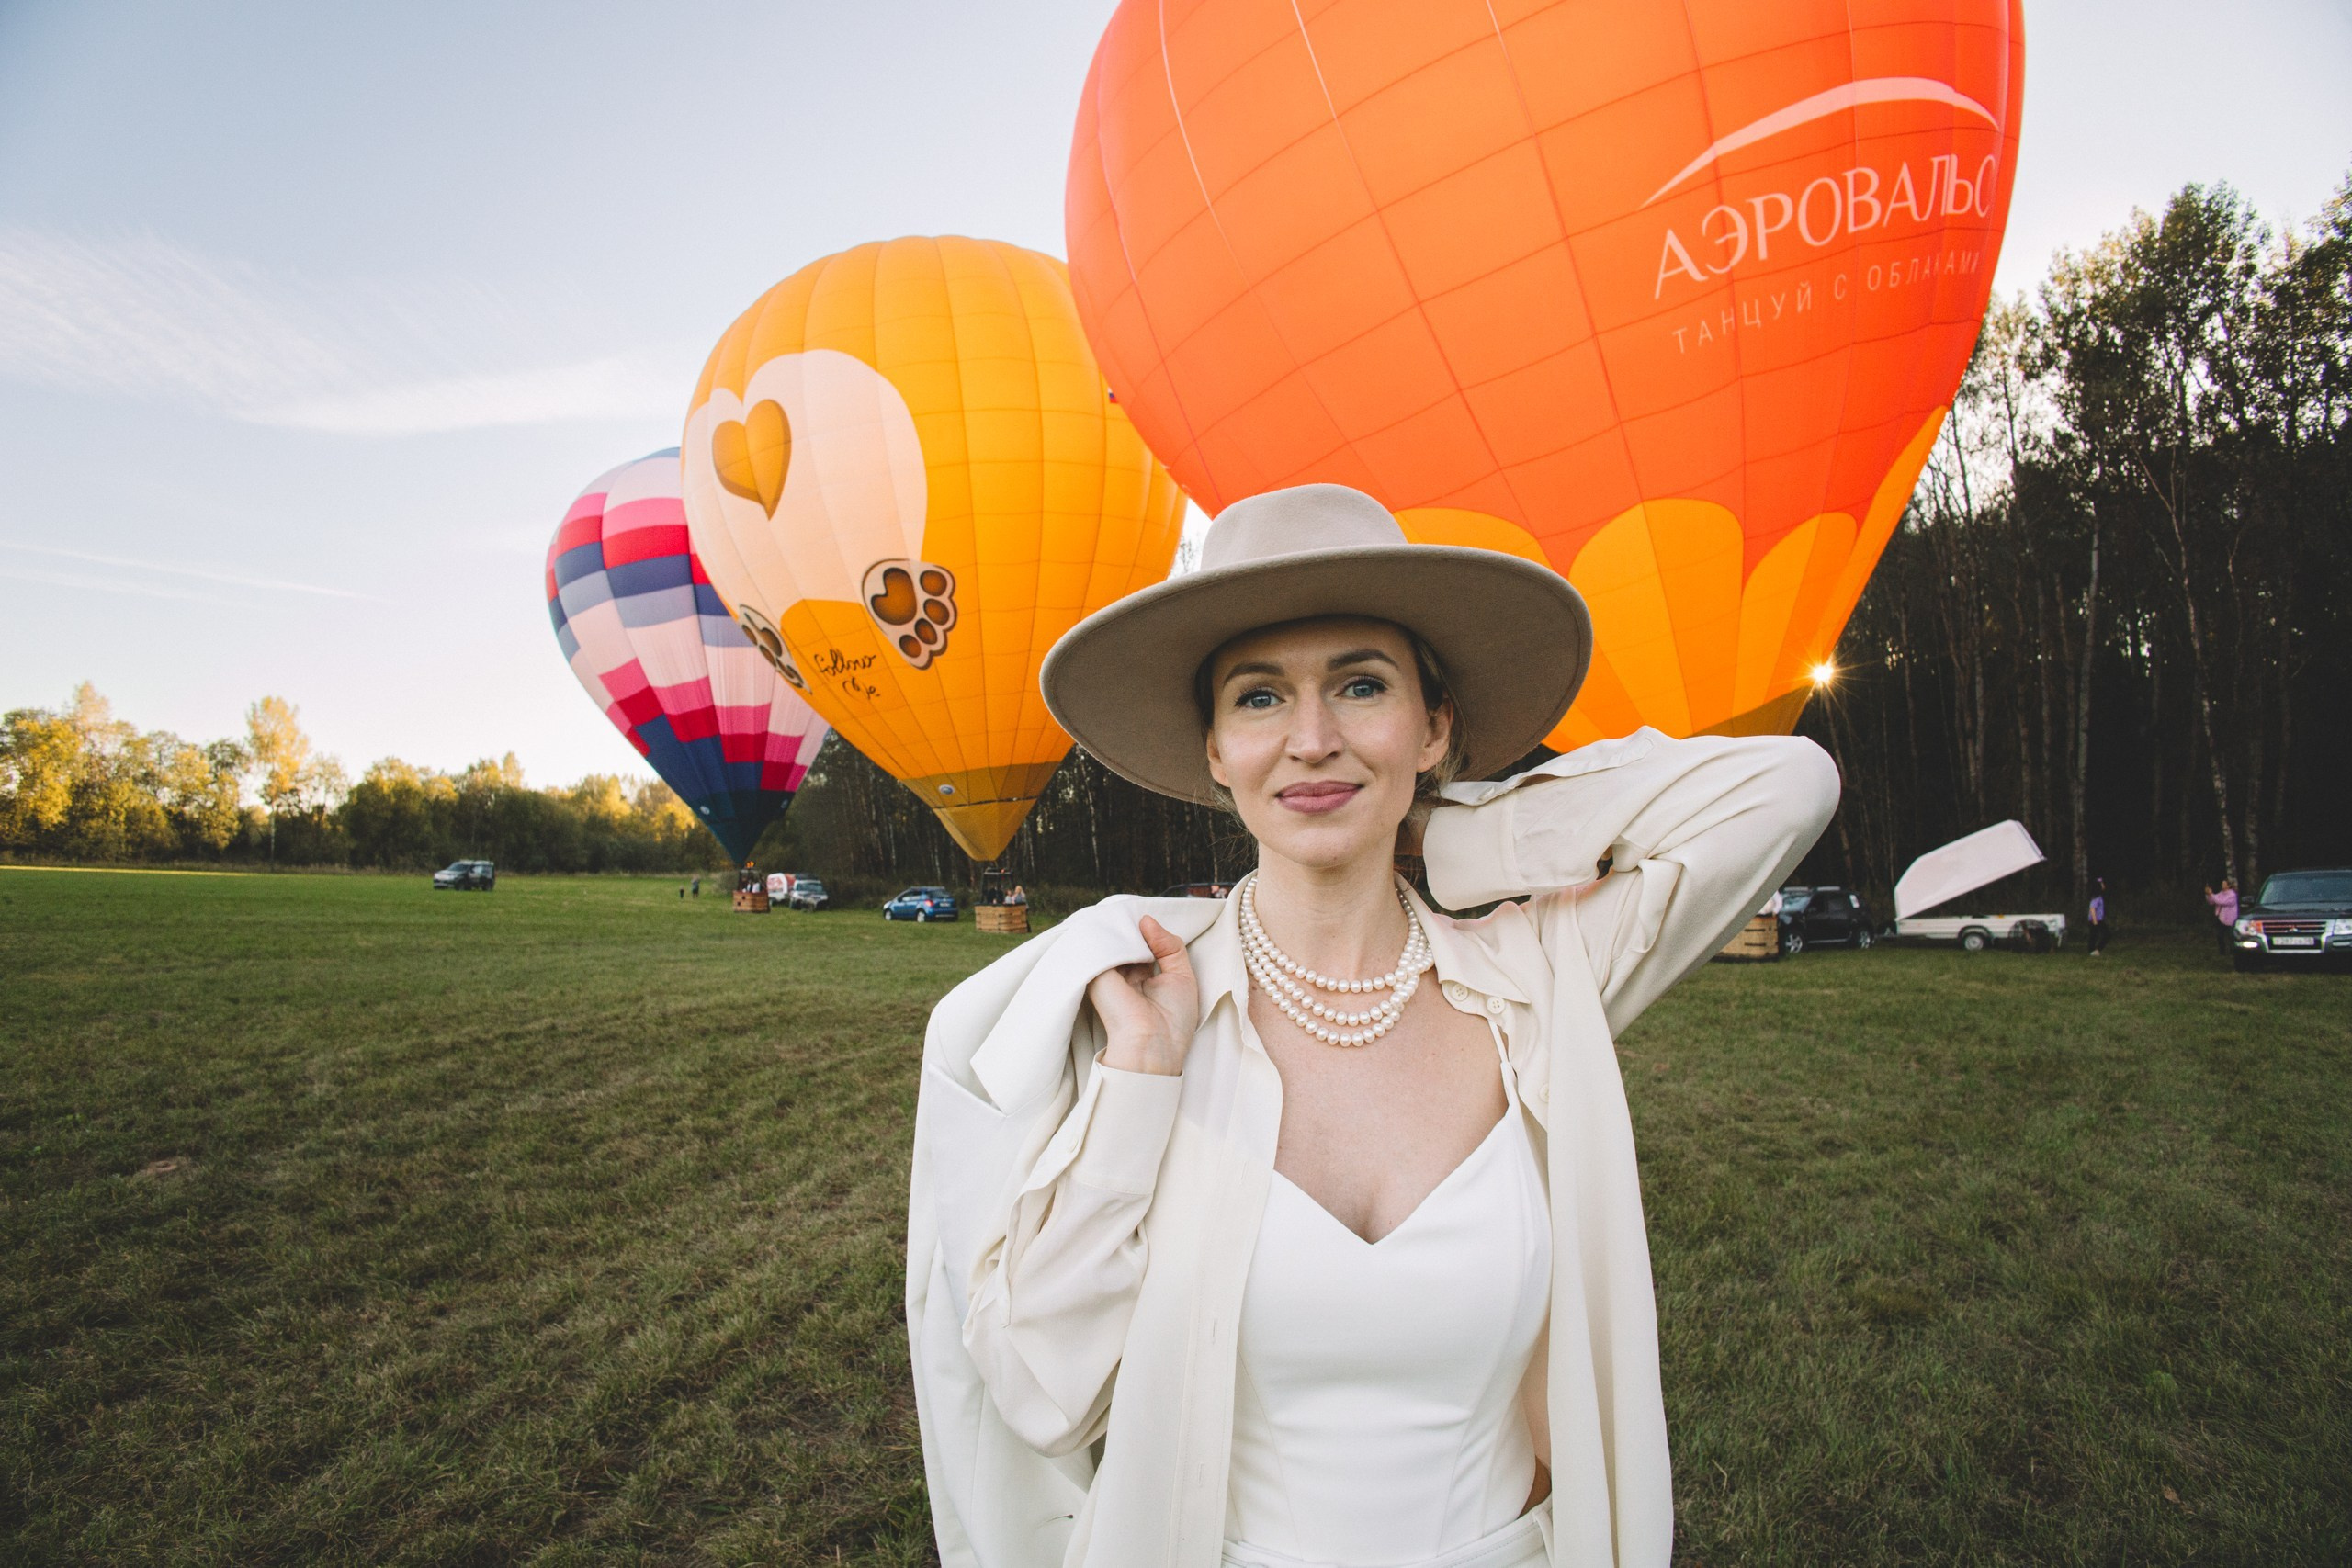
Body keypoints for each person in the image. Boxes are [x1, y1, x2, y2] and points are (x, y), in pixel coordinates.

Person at [905, 485, 1839, 1568]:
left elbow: (1785, 782)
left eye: (1360, 687)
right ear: (1212, 749)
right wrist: (1138, 1090)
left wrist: (1439, 828)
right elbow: (1036, 1393)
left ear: (1435, 724)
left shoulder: (1534, 982)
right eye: (1258, 700)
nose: (1311, 740)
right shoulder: (1133, 1009)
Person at [2204, 876, 2238, 955]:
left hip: (2230, 919)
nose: (2222, 885)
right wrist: (2209, 895)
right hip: (2220, 918)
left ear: (2229, 886)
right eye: (2222, 884)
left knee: (2230, 936)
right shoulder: (2221, 893)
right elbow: (2212, 902)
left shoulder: (2232, 895)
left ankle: (2232, 952)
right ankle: (2222, 951)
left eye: (2224, 884)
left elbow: (2221, 901)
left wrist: (2211, 894)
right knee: (2219, 935)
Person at [2086, 877, 2108, 955]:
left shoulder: (2099, 896)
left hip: (2098, 919)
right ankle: (2095, 950)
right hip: (2095, 920)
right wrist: (2095, 922)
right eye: (2101, 884)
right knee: (2105, 934)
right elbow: (2092, 909)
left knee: (2094, 935)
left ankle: (2094, 950)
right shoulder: (2096, 898)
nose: (2103, 886)